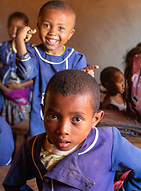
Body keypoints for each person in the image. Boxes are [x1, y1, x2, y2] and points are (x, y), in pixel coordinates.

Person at [3, 69, 141, 191]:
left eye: (76, 119)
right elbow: (13, 185)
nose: (63, 130)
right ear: (43, 111)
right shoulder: (32, 148)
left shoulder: (108, 143)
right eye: (53, 116)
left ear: (95, 119)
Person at [15, 0, 98, 137]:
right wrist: (19, 41)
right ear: (38, 26)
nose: (52, 32)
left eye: (60, 28)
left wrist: (83, 77)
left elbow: (81, 92)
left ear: (71, 33)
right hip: (40, 117)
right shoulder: (33, 54)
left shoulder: (76, 58)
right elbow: (26, 73)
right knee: (39, 150)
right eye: (47, 25)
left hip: (69, 121)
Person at [0, 12, 33, 126]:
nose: (14, 31)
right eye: (11, 27)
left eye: (18, 28)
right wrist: (4, 89)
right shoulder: (2, 47)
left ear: (27, 30)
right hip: (5, 95)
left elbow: (36, 77)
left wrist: (19, 86)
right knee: (6, 125)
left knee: (24, 126)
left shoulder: (32, 49)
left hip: (25, 95)